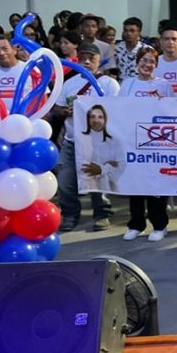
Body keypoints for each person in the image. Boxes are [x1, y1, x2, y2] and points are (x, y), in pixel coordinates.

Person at [52, 43, 120, 231]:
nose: (87, 61)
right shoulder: (69, 83)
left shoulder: (108, 83)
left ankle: (102, 213)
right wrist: (64, 111)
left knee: (97, 179)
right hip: (72, 140)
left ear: (100, 60)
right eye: (83, 58)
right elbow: (56, 108)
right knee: (65, 181)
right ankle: (70, 214)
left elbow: (116, 110)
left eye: (92, 58)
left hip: (97, 141)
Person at [118, 46, 172, 242]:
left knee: (156, 185)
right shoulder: (128, 84)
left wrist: (161, 102)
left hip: (156, 143)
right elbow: (118, 110)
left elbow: (173, 112)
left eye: (151, 61)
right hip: (132, 142)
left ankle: (160, 225)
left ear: (156, 65)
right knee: (135, 185)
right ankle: (136, 224)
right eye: (144, 60)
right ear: (137, 62)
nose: (147, 65)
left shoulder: (164, 85)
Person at [78, 104, 125, 192]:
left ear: (105, 119)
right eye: (92, 117)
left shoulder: (114, 141)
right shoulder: (81, 139)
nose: (96, 120)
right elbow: (80, 165)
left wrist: (101, 169)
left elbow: (121, 165)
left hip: (110, 188)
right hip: (85, 186)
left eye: (100, 117)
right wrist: (107, 166)